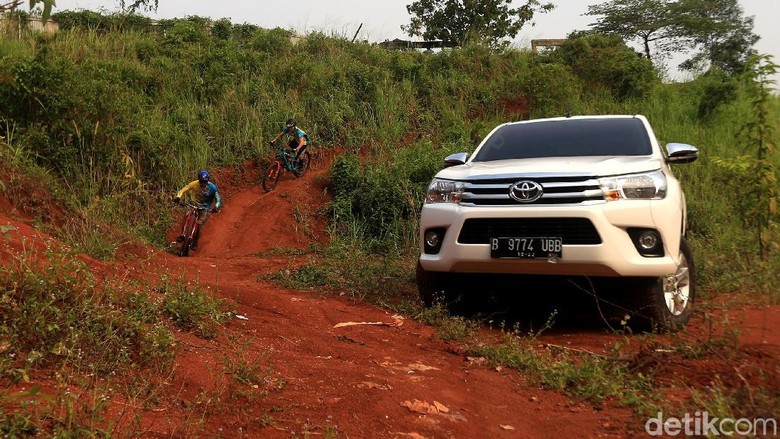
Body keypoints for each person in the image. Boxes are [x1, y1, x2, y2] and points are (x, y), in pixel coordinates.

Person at [173, 169, 222, 251]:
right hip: (193, 204)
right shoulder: (194, 184)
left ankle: (195, 241)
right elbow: (184, 189)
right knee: (187, 215)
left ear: (208, 181)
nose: (203, 183)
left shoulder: (212, 187)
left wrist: (216, 207)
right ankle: (183, 234)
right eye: (201, 181)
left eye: (204, 182)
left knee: (199, 224)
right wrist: (178, 197)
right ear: (199, 180)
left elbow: (218, 198)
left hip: (205, 207)